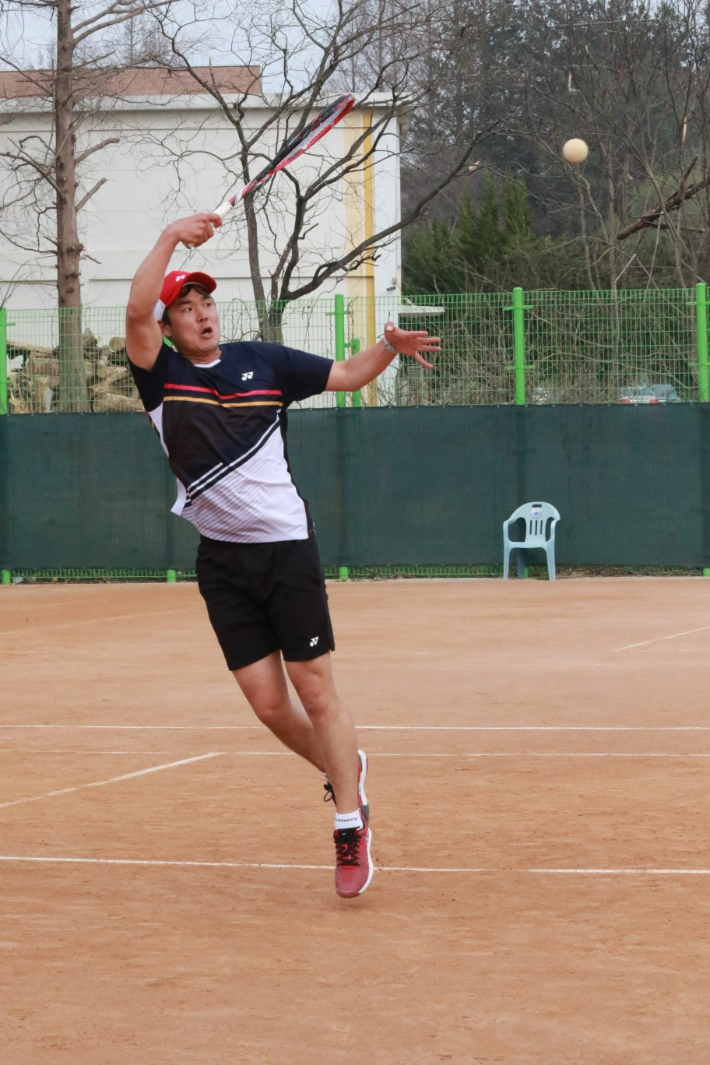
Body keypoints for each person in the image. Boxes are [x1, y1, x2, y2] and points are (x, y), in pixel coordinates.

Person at [125, 213, 440, 898]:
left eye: (206, 301)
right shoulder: (161, 376)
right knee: (269, 706)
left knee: (315, 689)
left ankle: (349, 824)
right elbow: (132, 308)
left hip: (287, 548)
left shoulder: (262, 361)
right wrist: (170, 235)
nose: (201, 313)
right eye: (185, 306)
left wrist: (386, 347)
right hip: (223, 561)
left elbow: (351, 374)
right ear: (169, 325)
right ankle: (344, 764)